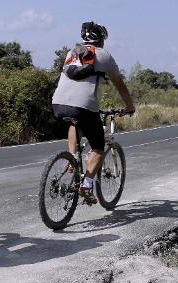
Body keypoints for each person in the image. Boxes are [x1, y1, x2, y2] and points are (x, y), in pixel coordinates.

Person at [51, 21, 135, 205]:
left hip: (58, 103)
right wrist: (130, 106)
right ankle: (87, 185)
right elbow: (120, 86)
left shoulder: (72, 53)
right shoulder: (104, 55)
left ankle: (72, 159)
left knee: (75, 123)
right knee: (97, 146)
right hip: (84, 106)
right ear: (101, 40)